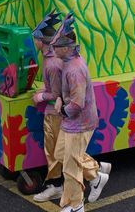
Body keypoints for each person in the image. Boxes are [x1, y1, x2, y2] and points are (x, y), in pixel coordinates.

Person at [51, 15, 111, 212]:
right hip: (73, 121)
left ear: (67, 48)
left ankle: (76, 205)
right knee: (61, 154)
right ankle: (95, 174)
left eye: (57, 46)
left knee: (71, 166)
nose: (53, 49)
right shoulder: (69, 61)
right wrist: (60, 97)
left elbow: (77, 102)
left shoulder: (74, 70)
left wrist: (62, 109)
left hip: (79, 122)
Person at [31, 12, 65, 203]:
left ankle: (55, 186)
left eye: (35, 39)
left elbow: (57, 93)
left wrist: (41, 95)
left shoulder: (51, 63)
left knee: (53, 151)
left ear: (40, 41)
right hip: (56, 112)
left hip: (55, 113)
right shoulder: (50, 57)